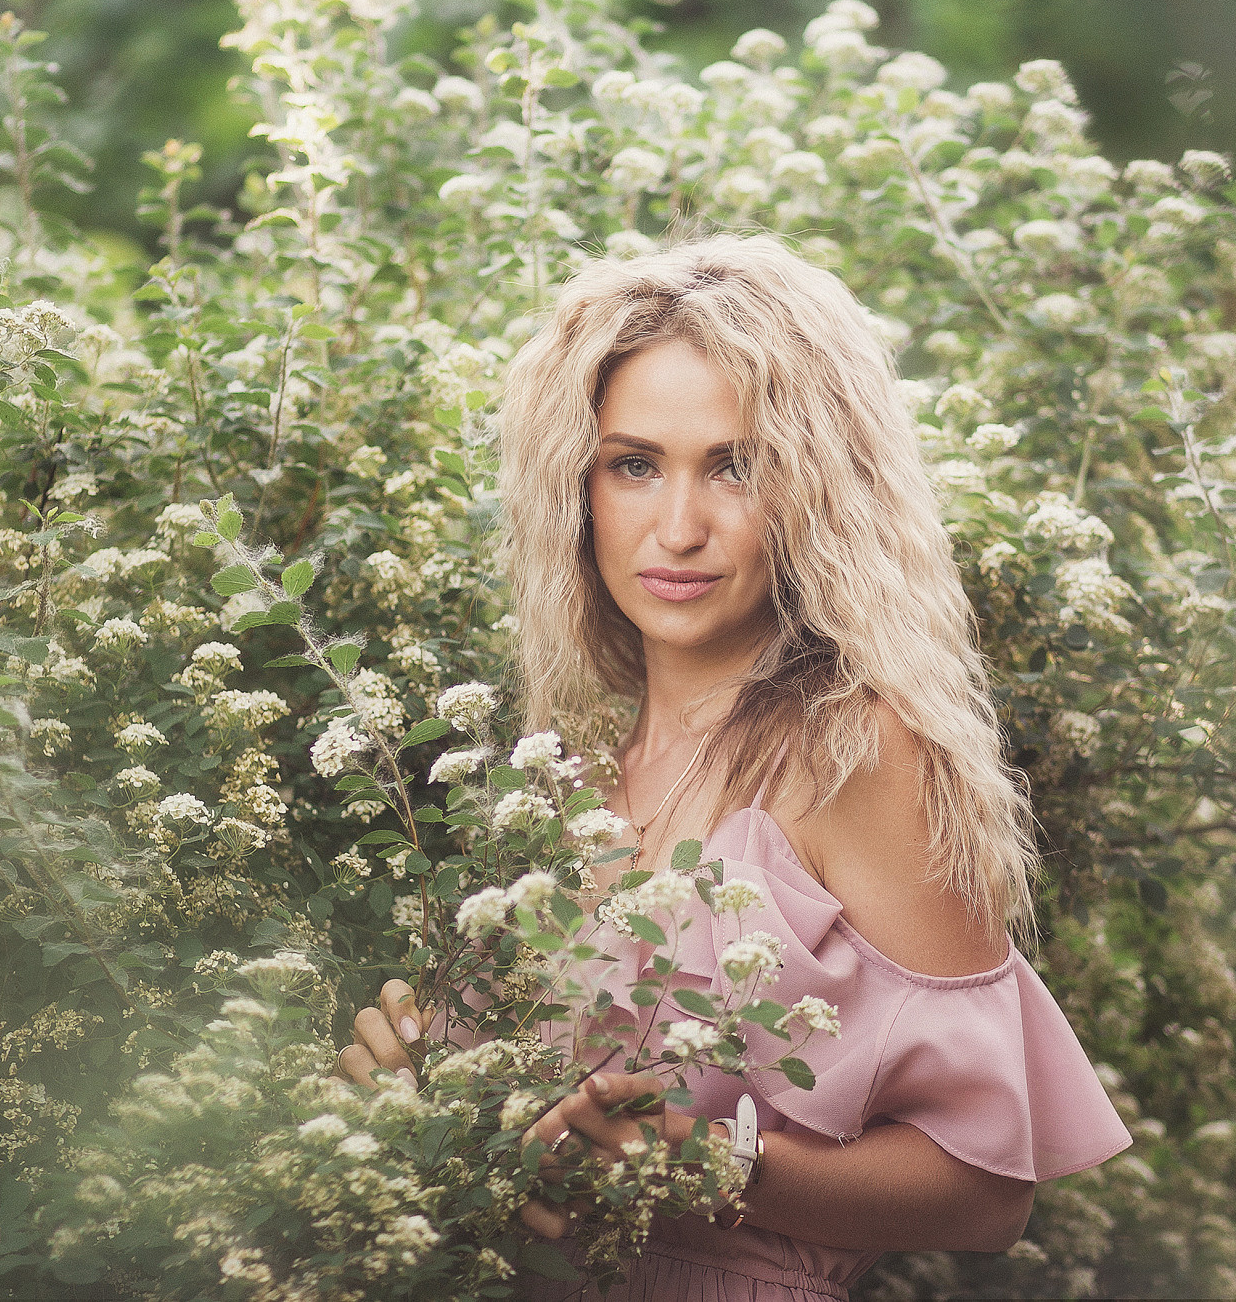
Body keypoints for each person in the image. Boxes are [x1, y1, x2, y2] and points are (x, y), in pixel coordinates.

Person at [341, 234, 1131, 1300]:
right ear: (578, 490)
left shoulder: (860, 751)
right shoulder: (567, 779)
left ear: (815, 485)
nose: (678, 527)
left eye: (736, 467)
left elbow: (985, 1195)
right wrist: (426, 1093)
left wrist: (705, 1164)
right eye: (634, 465)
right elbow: (531, 1153)